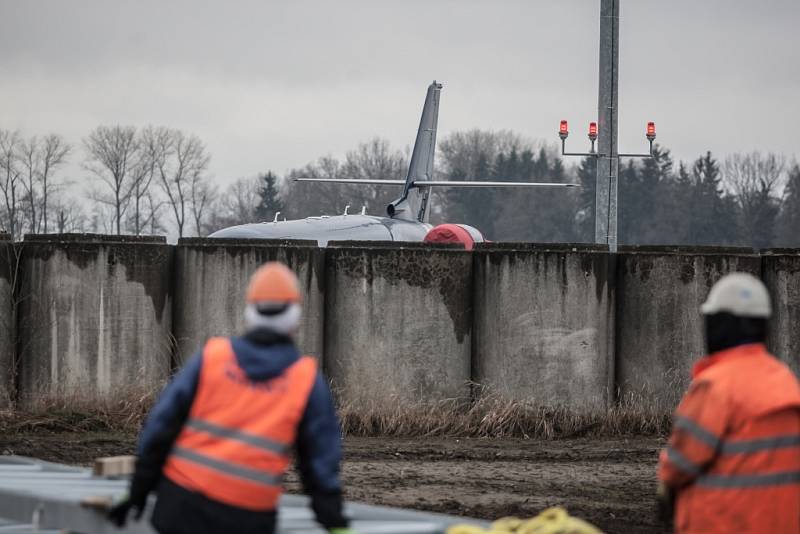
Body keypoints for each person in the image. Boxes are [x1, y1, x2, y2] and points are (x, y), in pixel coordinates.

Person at [109, 262, 352, 534]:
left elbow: (160, 427)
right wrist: (335, 522)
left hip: (181, 507)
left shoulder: (213, 358)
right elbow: (319, 462)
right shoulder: (305, 380)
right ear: (295, 318)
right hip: (247, 516)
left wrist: (138, 490)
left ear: (250, 312)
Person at [657, 272, 800, 533]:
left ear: (718, 325)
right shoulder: (785, 380)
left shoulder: (715, 386)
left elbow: (679, 464)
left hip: (724, 524)